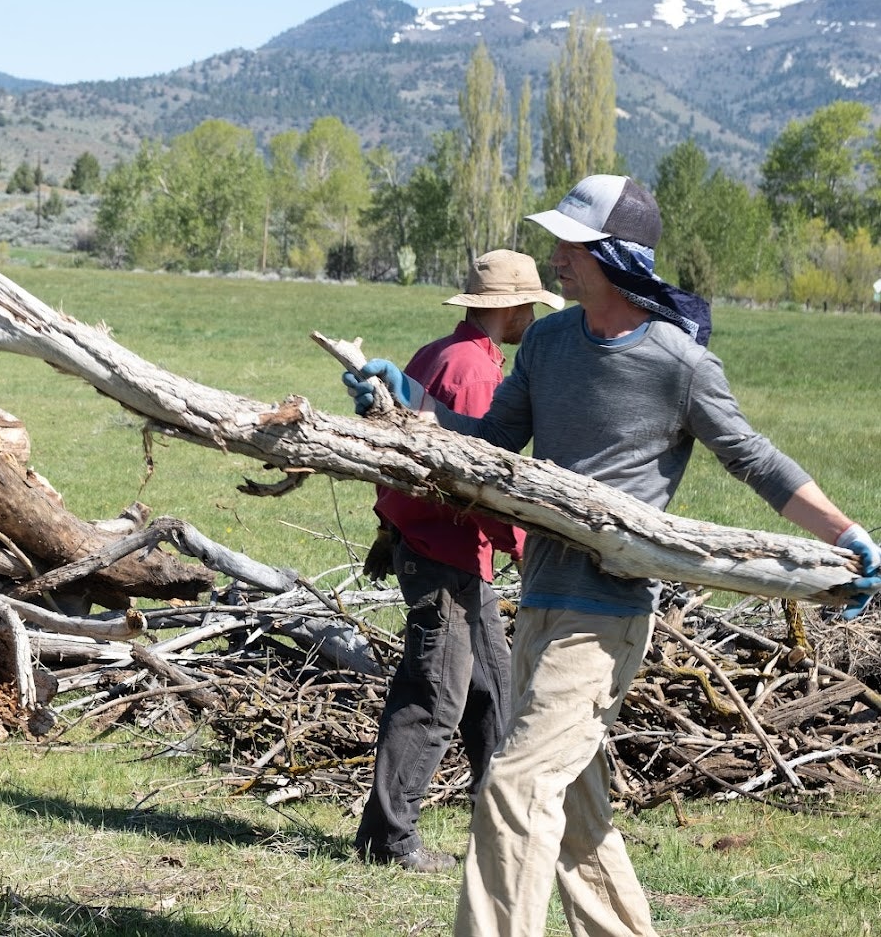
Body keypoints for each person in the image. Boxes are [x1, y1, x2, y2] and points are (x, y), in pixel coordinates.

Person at [345, 174, 880, 936]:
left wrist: (843, 532)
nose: (556, 257)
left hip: (608, 613)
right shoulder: (550, 342)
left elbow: (753, 459)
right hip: (538, 597)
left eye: (572, 244)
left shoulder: (677, 362)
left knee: (515, 785)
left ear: (616, 256)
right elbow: (492, 447)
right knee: (574, 811)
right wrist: (409, 406)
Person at [345, 249, 563, 873]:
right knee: (434, 696)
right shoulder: (474, 371)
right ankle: (388, 840)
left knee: (492, 692)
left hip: (444, 549)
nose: (533, 318)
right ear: (514, 306)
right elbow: (475, 483)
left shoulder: (442, 353)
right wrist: (525, 546)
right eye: (532, 306)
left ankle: (507, 830)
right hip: (447, 550)